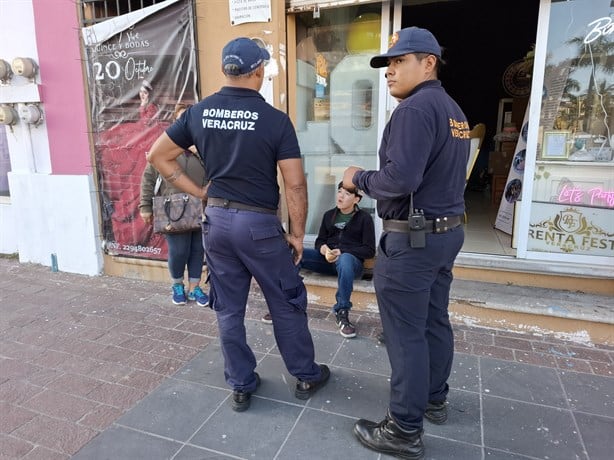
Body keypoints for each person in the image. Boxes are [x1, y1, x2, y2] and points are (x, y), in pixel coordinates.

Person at [147, 37, 330, 412]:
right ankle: (305, 374)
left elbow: (158, 156)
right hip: (259, 226)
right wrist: (297, 234)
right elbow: (294, 183)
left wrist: (199, 192)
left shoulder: (198, 113)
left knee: (228, 308)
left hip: (217, 221)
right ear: (259, 71)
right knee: (285, 302)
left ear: (225, 71)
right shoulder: (276, 121)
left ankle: (241, 384)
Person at [342, 27, 469, 459]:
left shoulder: (415, 110)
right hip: (445, 233)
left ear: (428, 62)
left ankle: (403, 428)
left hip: (413, 243)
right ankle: (434, 398)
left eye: (400, 61)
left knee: (405, 333)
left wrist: (356, 178)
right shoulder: (453, 111)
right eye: (388, 63)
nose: (390, 71)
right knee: (434, 320)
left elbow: (399, 180)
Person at [263, 182, 375, 338]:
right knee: (294, 253)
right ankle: (284, 304)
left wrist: (343, 251)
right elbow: (319, 241)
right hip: (327, 261)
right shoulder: (329, 215)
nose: (341, 196)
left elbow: (369, 250)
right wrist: (323, 248)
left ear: (356, 199)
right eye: (339, 191)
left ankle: (342, 311)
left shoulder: (365, 219)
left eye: (347, 194)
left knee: (345, 259)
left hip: (351, 265)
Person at [139, 103, 209, 307]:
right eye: (181, 118)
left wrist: (200, 151)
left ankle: (195, 288)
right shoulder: (164, 148)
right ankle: (177, 284)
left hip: (200, 207)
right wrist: (145, 207)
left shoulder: (204, 147)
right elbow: (148, 179)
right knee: (179, 251)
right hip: (173, 210)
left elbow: (216, 172)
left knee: (197, 249)